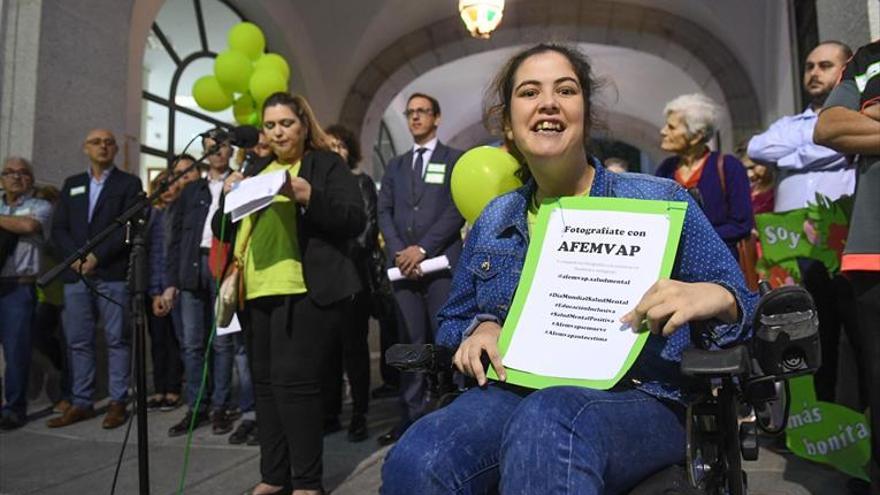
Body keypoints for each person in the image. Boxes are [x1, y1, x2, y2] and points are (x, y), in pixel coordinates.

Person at [381, 43, 757, 495]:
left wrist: (716, 297)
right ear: (508, 124)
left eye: (565, 90)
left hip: (640, 396)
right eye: (529, 92)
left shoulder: (658, 201)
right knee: (418, 456)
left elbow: (745, 308)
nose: (548, 103)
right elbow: (452, 323)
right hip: (512, 390)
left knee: (551, 420)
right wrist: (478, 328)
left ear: (586, 112)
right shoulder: (494, 219)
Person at [219, 92, 365, 495]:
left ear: (303, 124)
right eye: (271, 125)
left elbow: (354, 219)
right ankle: (273, 475)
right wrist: (227, 196)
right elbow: (223, 231)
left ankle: (306, 482)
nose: (278, 132)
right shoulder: (258, 168)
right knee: (263, 387)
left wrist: (308, 196)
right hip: (256, 288)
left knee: (295, 387)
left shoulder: (325, 164)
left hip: (303, 289)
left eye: (286, 123)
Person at [750, 41, 862, 405]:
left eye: (825, 65)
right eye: (810, 66)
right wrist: (821, 148)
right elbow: (757, 148)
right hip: (793, 249)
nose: (814, 73)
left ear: (845, 71)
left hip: (842, 244)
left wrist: (793, 155)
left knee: (852, 334)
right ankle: (805, 421)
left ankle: (853, 421)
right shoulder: (790, 123)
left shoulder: (856, 116)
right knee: (800, 334)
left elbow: (841, 141)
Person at [376, 92, 465, 445]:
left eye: (422, 112)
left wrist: (422, 248)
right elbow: (384, 210)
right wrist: (401, 252)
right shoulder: (395, 166)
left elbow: (456, 207)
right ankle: (411, 415)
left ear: (437, 118)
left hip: (440, 266)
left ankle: (453, 409)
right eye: (410, 113)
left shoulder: (454, 160)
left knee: (446, 338)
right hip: (404, 270)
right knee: (410, 343)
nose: (415, 118)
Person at [814, 39, 880, 495]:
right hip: (873, 252)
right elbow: (829, 127)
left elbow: (850, 129)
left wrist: (871, 121)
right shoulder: (868, 59)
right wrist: (854, 121)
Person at [48, 129, 143, 429]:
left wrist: (97, 257)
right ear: (85, 148)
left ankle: (117, 401)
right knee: (78, 340)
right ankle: (82, 402)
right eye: (96, 142)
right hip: (76, 275)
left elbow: (126, 227)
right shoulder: (72, 184)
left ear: (115, 149)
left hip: (111, 273)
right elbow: (59, 228)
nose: (103, 146)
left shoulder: (128, 183)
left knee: (117, 339)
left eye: (108, 142)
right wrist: (75, 258)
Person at [166, 135, 247, 437]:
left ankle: (221, 405)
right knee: (192, 342)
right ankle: (196, 406)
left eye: (223, 145)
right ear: (204, 152)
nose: (217, 151)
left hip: (223, 266)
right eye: (211, 146)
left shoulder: (241, 181)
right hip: (191, 267)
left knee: (223, 341)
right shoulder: (191, 190)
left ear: (231, 150)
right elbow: (174, 238)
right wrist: (170, 282)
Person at [655, 93, 754, 261]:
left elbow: (741, 225)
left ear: (697, 135)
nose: (663, 131)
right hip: (675, 264)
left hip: (718, 264)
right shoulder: (666, 169)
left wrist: (694, 239)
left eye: (671, 127)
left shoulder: (729, 167)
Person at [324, 123, 375, 442]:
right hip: (321, 279)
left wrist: (337, 252)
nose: (335, 150)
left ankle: (359, 413)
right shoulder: (318, 184)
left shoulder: (361, 182)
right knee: (327, 350)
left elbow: (368, 230)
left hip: (352, 275)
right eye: (329, 145)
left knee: (354, 349)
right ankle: (330, 412)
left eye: (341, 145)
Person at [0, 157, 52, 430]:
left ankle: (13, 408)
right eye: (10, 173)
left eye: (23, 173)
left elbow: (28, 227)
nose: (16, 177)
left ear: (30, 179)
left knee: (16, 351)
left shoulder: (40, 206)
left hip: (18, 287)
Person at [146, 169, 183, 411]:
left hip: (176, 286)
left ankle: (174, 388)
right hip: (154, 288)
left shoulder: (182, 213)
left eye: (171, 185)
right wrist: (155, 292)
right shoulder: (149, 215)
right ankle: (159, 388)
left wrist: (172, 287)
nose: (168, 189)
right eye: (162, 185)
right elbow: (152, 257)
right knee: (158, 341)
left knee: (176, 341)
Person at [736, 140, 775, 215]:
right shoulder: (748, 191)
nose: (749, 174)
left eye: (752, 167)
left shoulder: (777, 194)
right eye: (745, 169)